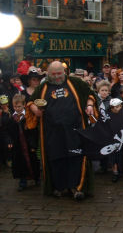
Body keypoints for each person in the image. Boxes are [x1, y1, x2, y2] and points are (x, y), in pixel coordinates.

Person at [27, 61, 97, 200]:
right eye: (54, 74)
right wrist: (36, 110)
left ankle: (76, 187)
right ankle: (58, 187)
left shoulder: (76, 83)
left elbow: (90, 94)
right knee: (57, 159)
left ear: (64, 72)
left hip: (75, 130)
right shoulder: (43, 87)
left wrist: (89, 105)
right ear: (48, 74)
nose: (57, 77)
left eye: (60, 73)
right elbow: (30, 102)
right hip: (53, 133)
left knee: (75, 158)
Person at [8, 94, 40, 191]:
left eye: (19, 106)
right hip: (18, 146)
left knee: (33, 161)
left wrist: (33, 144)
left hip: (28, 144)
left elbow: (34, 131)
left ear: (24, 105)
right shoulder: (11, 118)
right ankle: (23, 181)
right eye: (15, 106)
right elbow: (8, 132)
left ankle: (36, 178)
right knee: (20, 163)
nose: (17, 108)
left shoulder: (28, 117)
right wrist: (9, 141)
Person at [0, 94, 11, 170]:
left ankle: (7, 160)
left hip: (8, 132)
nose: (4, 105)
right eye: (2, 104)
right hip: (2, 132)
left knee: (8, 147)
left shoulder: (10, 111)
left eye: (6, 104)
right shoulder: (1, 112)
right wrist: (4, 114)